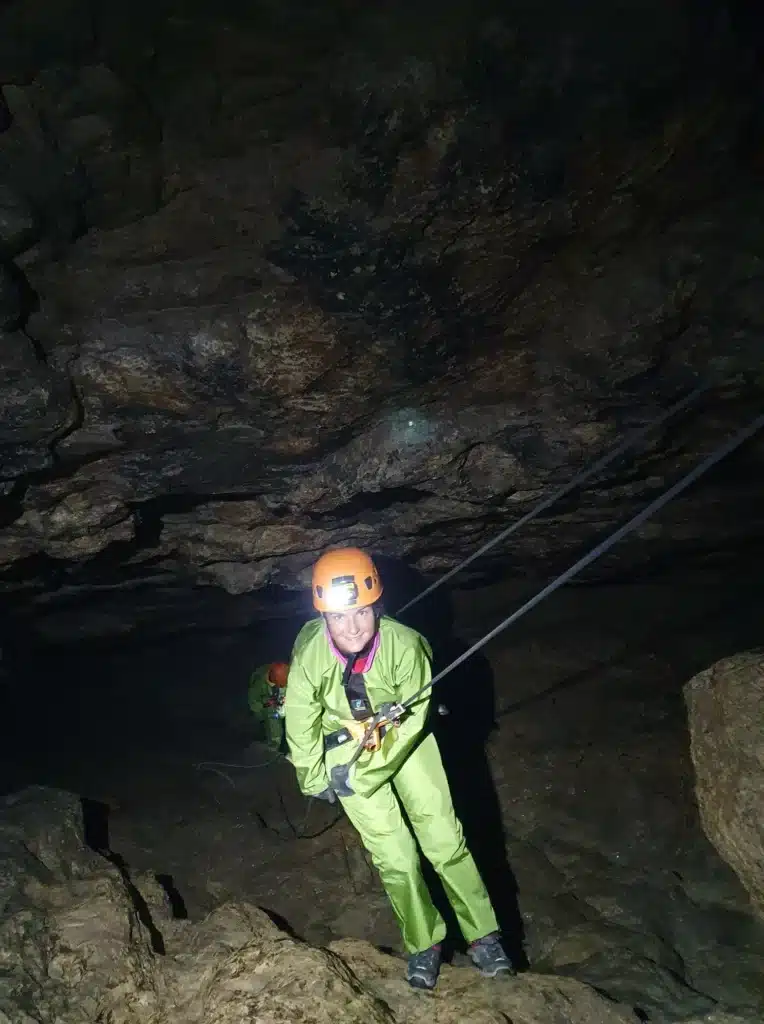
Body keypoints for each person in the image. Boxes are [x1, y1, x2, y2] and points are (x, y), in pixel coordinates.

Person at [284, 547, 515, 990]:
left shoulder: (406, 647)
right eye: (337, 617)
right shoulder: (312, 654)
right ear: (323, 619)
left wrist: (359, 777)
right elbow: (300, 715)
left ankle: (484, 936)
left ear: (377, 606)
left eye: (361, 612)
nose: (351, 627)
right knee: (396, 857)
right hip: (344, 748)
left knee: (445, 840)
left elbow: (413, 723)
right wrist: (313, 776)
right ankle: (424, 941)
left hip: (406, 742)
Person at [248, 661, 290, 752]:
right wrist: (267, 703)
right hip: (267, 708)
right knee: (273, 720)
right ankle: (272, 749)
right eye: (282, 684)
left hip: (282, 703)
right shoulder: (258, 683)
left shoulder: (286, 672)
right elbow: (253, 705)